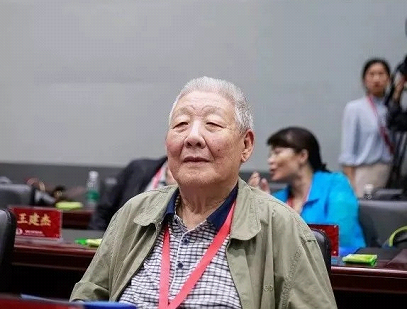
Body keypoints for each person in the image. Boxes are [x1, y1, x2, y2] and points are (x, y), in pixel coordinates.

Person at [71, 77, 336, 308]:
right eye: (181, 124)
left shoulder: (283, 228)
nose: (193, 137)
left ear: (246, 145)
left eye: (212, 124)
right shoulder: (134, 214)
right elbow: (87, 297)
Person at [249, 126, 365, 253]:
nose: (270, 160)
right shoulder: (277, 199)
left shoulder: (336, 184)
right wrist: (261, 209)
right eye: (270, 155)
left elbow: (340, 236)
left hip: (345, 262)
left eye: (277, 153)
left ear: (302, 156)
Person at [339, 58, 400, 198]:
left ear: (389, 79)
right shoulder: (355, 108)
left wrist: (397, 94)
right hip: (366, 172)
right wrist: (351, 182)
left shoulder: (392, 109)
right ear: (364, 79)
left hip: (391, 172)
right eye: (371, 74)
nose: (376, 79)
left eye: (381, 74)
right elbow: (347, 151)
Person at [88, 155, 175, 230]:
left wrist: (176, 187)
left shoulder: (180, 182)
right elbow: (102, 213)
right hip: (122, 237)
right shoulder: (138, 168)